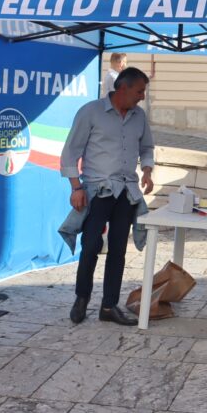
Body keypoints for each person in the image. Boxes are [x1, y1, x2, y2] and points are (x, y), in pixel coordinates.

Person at [61, 66, 154, 326]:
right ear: (122, 89)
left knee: (118, 249)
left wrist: (147, 171)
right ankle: (82, 298)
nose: (142, 97)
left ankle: (109, 306)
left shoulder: (139, 116)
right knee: (91, 245)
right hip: (98, 189)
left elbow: (147, 148)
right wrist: (76, 188)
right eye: (139, 91)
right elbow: (70, 152)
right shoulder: (91, 112)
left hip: (126, 191)